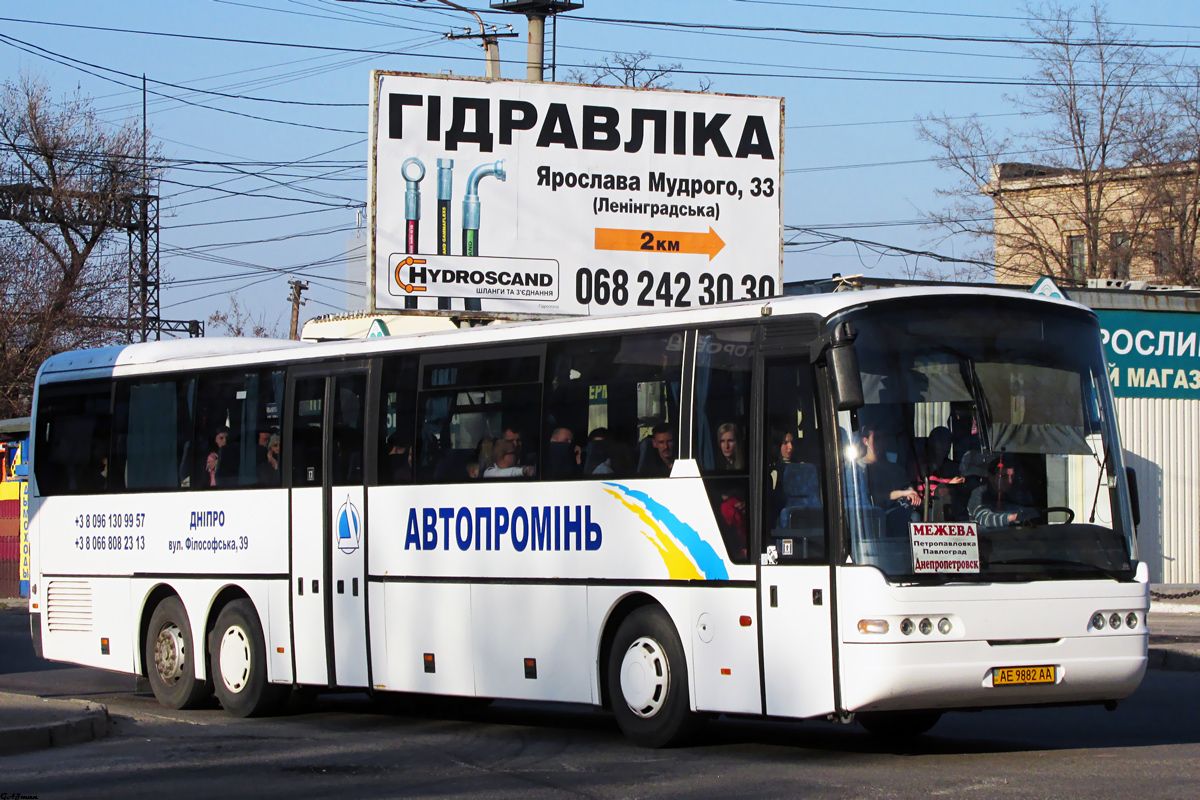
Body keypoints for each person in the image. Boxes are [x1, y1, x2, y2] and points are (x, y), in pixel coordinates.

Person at [968, 455, 1038, 529]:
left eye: (1012, 476)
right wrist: (1010, 518)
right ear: (991, 477)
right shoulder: (979, 493)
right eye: (1004, 476)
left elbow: (1030, 511)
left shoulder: (1016, 494)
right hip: (986, 538)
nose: (1010, 481)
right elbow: (983, 517)